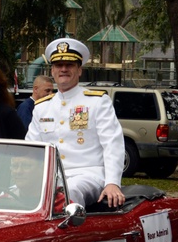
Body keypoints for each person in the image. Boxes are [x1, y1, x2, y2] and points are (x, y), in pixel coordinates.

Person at [25, 38, 125, 208]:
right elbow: (31, 149)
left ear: (79, 70)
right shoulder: (42, 107)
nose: (63, 69)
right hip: (51, 177)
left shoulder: (98, 101)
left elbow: (112, 144)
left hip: (89, 175)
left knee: (68, 192)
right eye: (58, 65)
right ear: (53, 70)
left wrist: (113, 182)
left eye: (69, 65)